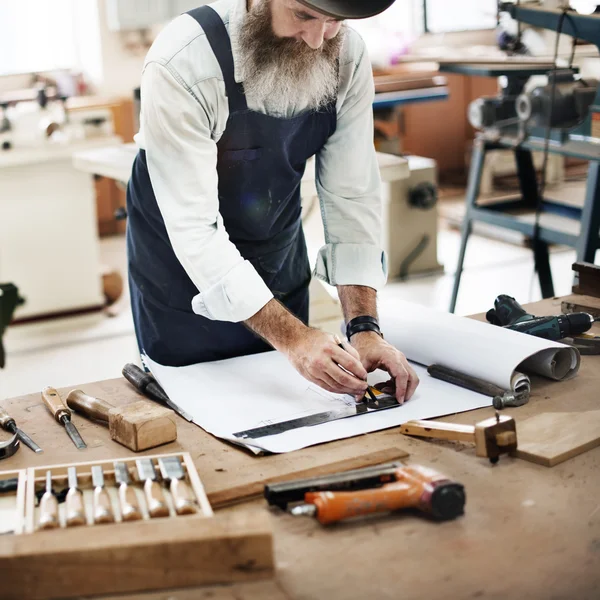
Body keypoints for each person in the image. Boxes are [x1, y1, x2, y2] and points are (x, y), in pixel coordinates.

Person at [127, 0, 420, 404]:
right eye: (303, 15)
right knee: (199, 414)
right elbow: (195, 231)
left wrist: (364, 328)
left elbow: (352, 197)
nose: (319, 40)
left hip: (276, 256)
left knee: (282, 408)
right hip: (182, 278)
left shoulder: (347, 55)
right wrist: (295, 338)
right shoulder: (184, 61)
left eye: (334, 20)